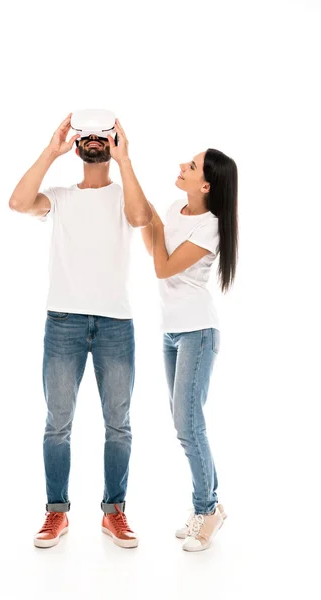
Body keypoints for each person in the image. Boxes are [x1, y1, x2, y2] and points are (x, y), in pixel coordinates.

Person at [9, 113, 152, 549]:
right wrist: (50, 150)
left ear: (110, 144)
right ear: (77, 147)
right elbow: (18, 202)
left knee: (119, 425)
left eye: (101, 136)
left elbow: (141, 216)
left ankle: (115, 513)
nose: (92, 141)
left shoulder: (123, 193)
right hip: (64, 323)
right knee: (57, 425)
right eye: (84, 136)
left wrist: (126, 159)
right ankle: (56, 513)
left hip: (115, 324)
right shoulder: (60, 197)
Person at [140, 148, 238, 552]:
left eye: (192, 166)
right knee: (187, 423)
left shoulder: (212, 227)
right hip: (172, 332)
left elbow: (163, 267)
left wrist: (152, 218)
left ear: (206, 185)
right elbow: (155, 251)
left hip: (198, 331)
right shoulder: (174, 207)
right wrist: (150, 215)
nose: (182, 166)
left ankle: (207, 509)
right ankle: (211, 506)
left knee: (187, 424)